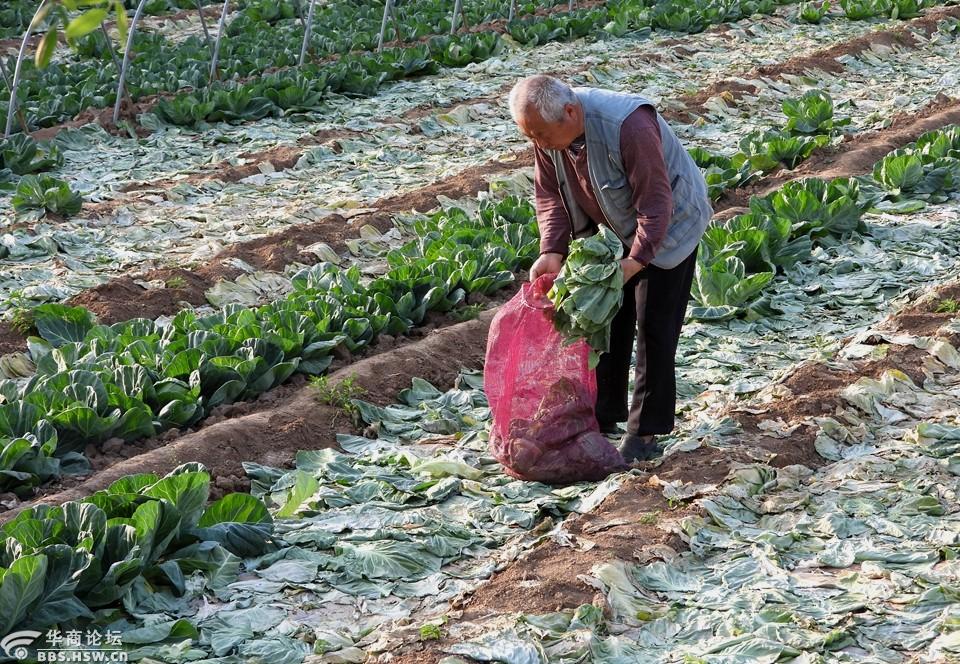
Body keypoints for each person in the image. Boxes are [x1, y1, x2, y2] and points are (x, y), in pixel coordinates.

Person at [508, 74, 712, 462]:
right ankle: (603, 414)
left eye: (539, 134)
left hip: (670, 226)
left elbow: (655, 203)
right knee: (604, 320)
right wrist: (552, 248)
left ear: (570, 112)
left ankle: (645, 433)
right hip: (610, 229)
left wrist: (634, 262)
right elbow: (548, 193)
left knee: (653, 327)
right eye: (529, 135)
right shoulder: (549, 134)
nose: (537, 143)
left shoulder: (628, 125)